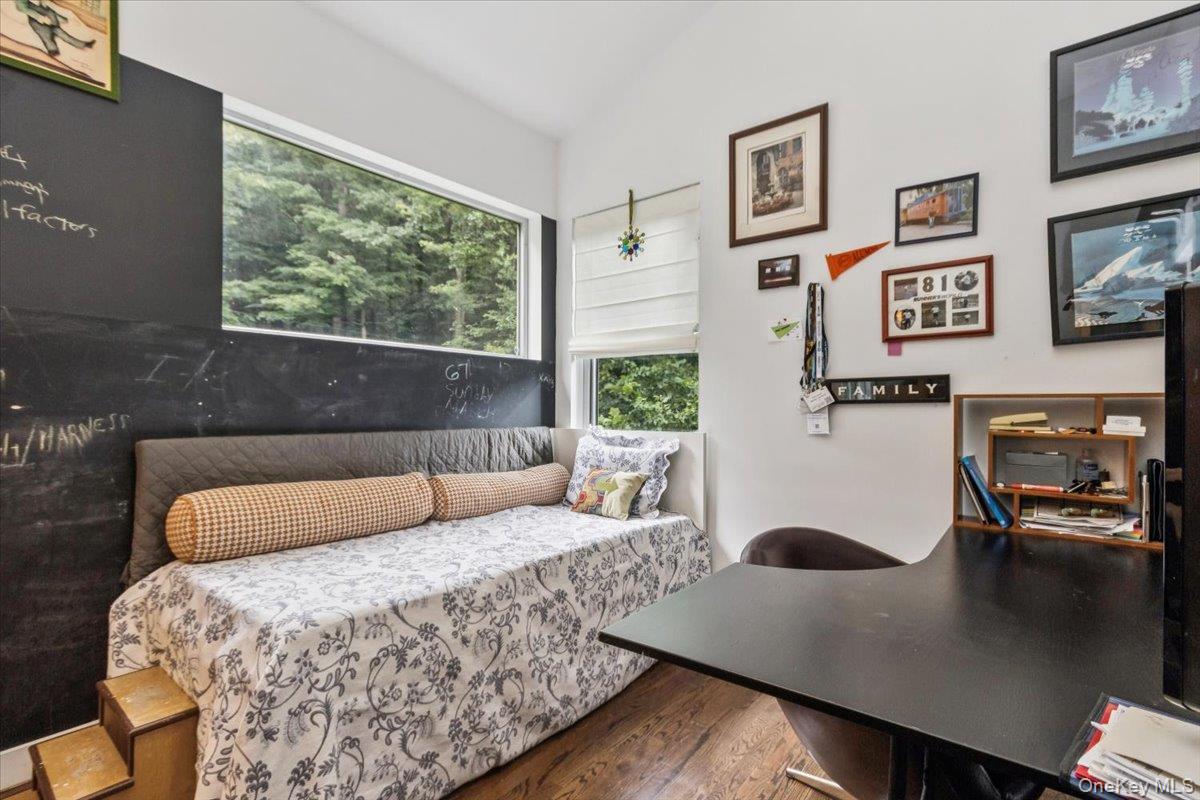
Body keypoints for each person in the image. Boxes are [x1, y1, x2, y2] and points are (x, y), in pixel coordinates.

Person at [14, 0, 94, 58]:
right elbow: (22, 8)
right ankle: (53, 52)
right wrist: (40, 18)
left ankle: (84, 44)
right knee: (47, 38)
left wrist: (62, 19)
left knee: (63, 34)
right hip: (37, 21)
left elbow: (48, 9)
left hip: (49, 17)